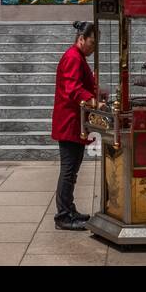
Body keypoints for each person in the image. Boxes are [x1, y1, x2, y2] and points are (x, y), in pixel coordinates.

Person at [51, 21, 102, 230]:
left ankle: (69, 209)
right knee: (69, 170)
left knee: (72, 171)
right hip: (70, 122)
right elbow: (73, 89)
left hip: (75, 121)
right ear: (81, 39)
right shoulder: (73, 57)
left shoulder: (78, 56)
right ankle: (63, 215)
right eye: (91, 43)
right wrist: (93, 101)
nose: (93, 48)